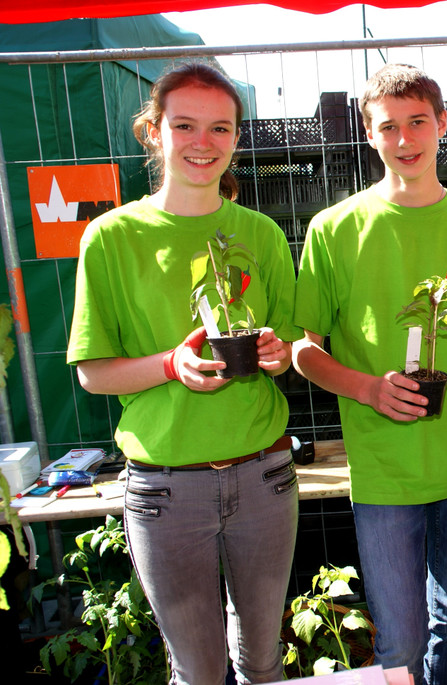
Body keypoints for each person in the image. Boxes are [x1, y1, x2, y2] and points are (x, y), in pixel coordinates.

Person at [66, 62, 301, 684]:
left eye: (220, 128)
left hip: (264, 475)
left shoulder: (260, 235)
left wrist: (277, 353)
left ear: (237, 138)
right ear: (154, 131)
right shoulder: (111, 237)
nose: (203, 142)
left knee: (264, 663)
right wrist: (171, 364)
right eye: (184, 125)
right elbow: (94, 373)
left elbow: (292, 344)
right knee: (197, 671)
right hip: (166, 490)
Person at [291, 63, 447, 685]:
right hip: (384, 469)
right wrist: (368, 388)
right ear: (368, 134)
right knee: (399, 635)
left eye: (418, 121)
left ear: (442, 124)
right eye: (388, 126)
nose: (404, 139)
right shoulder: (333, 230)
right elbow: (304, 351)